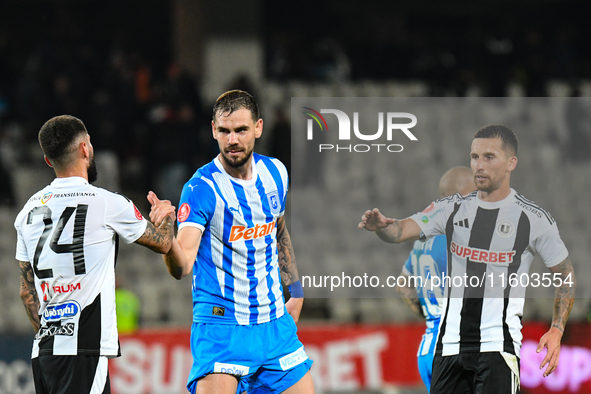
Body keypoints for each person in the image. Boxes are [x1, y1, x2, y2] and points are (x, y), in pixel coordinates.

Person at [360, 125, 576, 394]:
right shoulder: (449, 208)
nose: (479, 165)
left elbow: (565, 273)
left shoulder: (533, 219)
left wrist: (556, 329)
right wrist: (382, 227)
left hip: (498, 347)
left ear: (511, 163)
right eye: (474, 157)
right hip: (448, 348)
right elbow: (401, 230)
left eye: (489, 157)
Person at [150, 90, 314, 394]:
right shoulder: (201, 188)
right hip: (222, 328)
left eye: (240, 130)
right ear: (214, 130)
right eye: (224, 131)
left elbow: (278, 229)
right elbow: (182, 264)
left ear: (258, 128)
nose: (232, 140)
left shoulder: (276, 173)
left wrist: (296, 289)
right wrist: (165, 240)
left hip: (274, 325)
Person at [15, 115, 176, 394]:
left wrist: (51, 335)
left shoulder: (27, 212)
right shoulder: (106, 202)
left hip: (43, 354)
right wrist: (167, 216)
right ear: (85, 149)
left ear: (48, 160)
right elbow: (163, 243)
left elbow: (26, 291)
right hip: (83, 350)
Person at [396, 166, 476, 392]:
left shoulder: (425, 237)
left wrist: (433, 318)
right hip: (459, 352)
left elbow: (403, 285)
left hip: (429, 348)